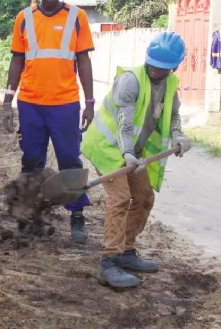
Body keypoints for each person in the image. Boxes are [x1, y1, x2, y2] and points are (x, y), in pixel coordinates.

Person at [81, 32, 193, 289]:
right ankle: (109, 262)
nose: (155, 70)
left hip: (132, 151)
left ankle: (126, 251)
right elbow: (125, 124)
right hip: (108, 148)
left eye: (162, 68)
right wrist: (129, 155)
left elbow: (173, 114)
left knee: (144, 197)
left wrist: (178, 134)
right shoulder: (130, 80)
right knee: (120, 198)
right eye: (153, 64)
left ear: (175, 67)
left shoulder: (170, 83)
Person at [2, 0, 95, 244]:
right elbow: (17, 61)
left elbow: (83, 60)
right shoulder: (24, 18)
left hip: (65, 104)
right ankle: (28, 218)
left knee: (69, 160)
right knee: (31, 161)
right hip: (30, 103)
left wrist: (90, 101)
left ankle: (77, 215)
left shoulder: (77, 17)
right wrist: (7, 101)